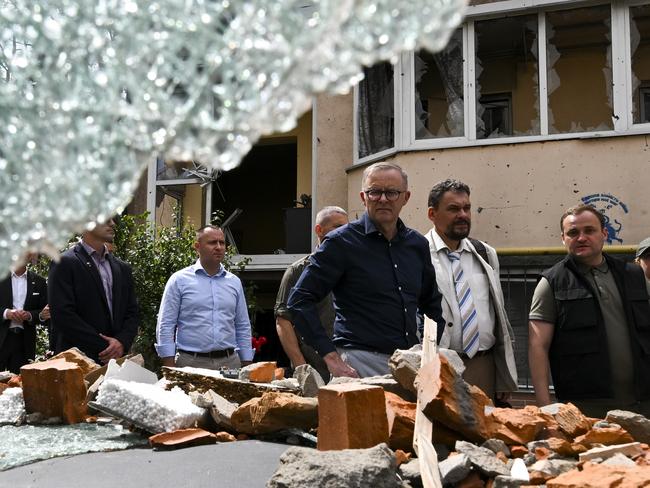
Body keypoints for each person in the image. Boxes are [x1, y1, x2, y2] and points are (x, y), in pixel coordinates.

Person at [288, 161, 444, 378]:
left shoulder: (417, 245)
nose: (382, 199)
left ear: (405, 197)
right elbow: (299, 300)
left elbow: (432, 305)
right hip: (358, 366)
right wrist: (330, 356)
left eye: (391, 192)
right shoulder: (340, 243)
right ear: (363, 197)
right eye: (374, 192)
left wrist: (429, 352)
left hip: (409, 365)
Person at [528, 204, 650, 418]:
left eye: (589, 230)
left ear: (604, 233)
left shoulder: (634, 275)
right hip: (586, 409)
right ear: (563, 238)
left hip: (643, 403)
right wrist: (544, 409)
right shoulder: (552, 283)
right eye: (573, 233)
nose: (581, 237)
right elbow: (538, 346)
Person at [424, 179, 517, 400]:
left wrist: (502, 374)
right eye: (453, 209)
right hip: (439, 367)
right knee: (441, 433)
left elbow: (498, 316)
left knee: (485, 432)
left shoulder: (484, 253)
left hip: (484, 366)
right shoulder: (417, 253)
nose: (463, 215)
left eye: (466, 208)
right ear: (432, 214)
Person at [156, 225, 254, 369]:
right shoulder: (179, 280)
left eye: (222, 242)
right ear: (197, 246)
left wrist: (247, 363)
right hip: (190, 363)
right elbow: (166, 324)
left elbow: (242, 324)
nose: (219, 247)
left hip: (229, 363)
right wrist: (169, 366)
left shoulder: (234, 282)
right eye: (212, 242)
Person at [48, 218, 139, 364]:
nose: (112, 224)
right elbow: (62, 314)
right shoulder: (64, 263)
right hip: (77, 363)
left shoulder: (122, 268)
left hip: (114, 362)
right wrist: (106, 347)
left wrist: (121, 342)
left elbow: (132, 312)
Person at [274, 206, 348, 381]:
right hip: (315, 370)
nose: (344, 232)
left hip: (350, 366)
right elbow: (283, 321)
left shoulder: (354, 269)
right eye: (337, 227)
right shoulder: (298, 271)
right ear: (319, 230)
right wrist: (302, 367)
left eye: (347, 228)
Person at [0, 254, 49, 373]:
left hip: (24, 341)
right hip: (1, 337)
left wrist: (31, 315)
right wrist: (6, 313)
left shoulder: (39, 282)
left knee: (19, 384)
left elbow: (45, 312)